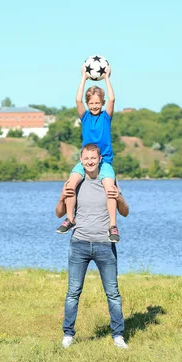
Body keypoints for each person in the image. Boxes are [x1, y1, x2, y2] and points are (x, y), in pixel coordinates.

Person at [55, 143, 129, 349]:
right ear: (81, 160)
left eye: (93, 158)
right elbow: (58, 212)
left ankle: (118, 336)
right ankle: (68, 334)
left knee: (112, 293)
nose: (89, 162)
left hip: (105, 244)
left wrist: (119, 197)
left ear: (99, 160)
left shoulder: (108, 180)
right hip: (79, 244)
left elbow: (125, 211)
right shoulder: (75, 182)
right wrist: (62, 197)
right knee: (73, 292)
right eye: (86, 158)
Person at [56, 63, 120, 243]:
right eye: (91, 103)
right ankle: (70, 218)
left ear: (102, 103)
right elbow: (77, 100)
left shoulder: (106, 116)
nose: (94, 106)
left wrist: (107, 77)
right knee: (70, 184)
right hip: (86, 160)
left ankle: (113, 226)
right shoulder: (84, 117)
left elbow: (113, 99)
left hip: (104, 161)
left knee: (110, 189)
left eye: (97, 103)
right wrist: (83, 78)